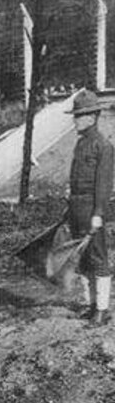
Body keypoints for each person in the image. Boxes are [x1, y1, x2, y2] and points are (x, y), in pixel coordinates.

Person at [66, 89, 115, 327]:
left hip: (91, 209)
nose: (75, 119)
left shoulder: (103, 146)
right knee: (83, 260)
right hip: (77, 207)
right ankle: (92, 305)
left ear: (92, 117)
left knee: (98, 258)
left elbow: (103, 186)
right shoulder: (80, 144)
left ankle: (103, 310)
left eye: (79, 115)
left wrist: (98, 214)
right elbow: (75, 180)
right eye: (75, 115)